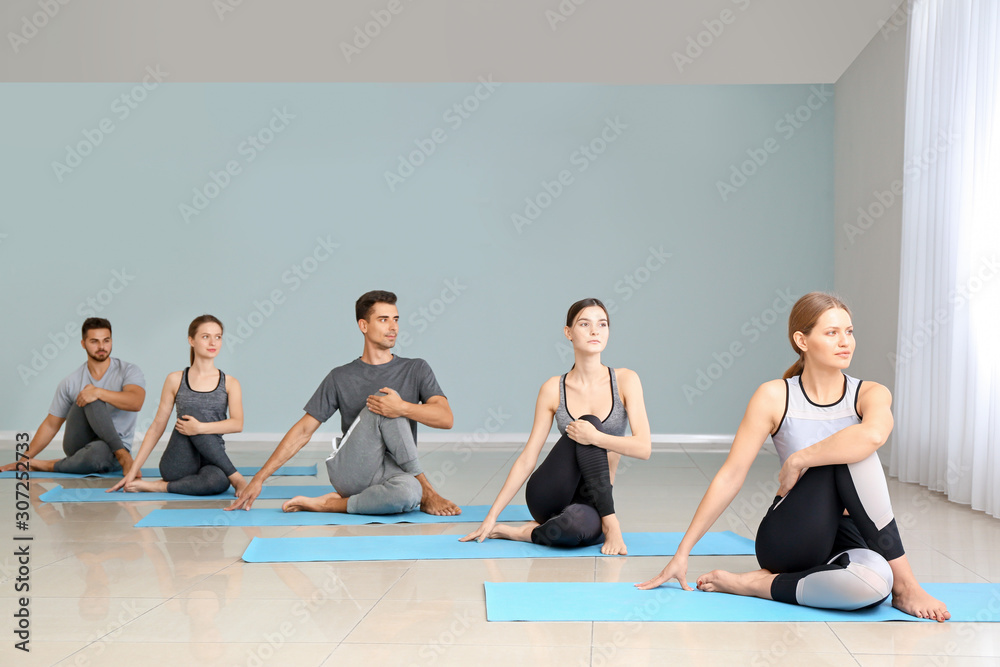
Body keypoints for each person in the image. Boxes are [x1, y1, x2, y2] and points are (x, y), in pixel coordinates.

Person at [637, 292, 950, 621]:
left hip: (849, 534)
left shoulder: (870, 393)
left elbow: (873, 435)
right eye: (832, 333)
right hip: (792, 537)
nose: (845, 342)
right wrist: (682, 552)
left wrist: (800, 459)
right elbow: (731, 475)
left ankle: (761, 585)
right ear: (802, 340)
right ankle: (906, 585)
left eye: (849, 331)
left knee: (872, 585)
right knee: (849, 457)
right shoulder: (775, 396)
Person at [226, 290, 459, 516]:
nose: (393, 327)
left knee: (409, 495)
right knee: (382, 401)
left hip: (394, 472)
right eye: (384, 319)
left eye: (396, 319)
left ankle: (330, 504)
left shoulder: (416, 368)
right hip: (352, 471)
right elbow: (304, 430)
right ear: (364, 326)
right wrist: (259, 478)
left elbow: (446, 418)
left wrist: (402, 408)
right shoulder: (340, 376)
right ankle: (428, 490)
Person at [461, 298, 651, 555]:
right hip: (550, 492)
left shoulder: (626, 380)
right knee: (588, 422)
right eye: (585, 324)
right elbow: (529, 457)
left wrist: (596, 438)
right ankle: (611, 523)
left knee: (576, 528)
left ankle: (519, 532)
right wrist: (491, 515)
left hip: (593, 498)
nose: (595, 331)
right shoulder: (553, 389)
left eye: (602, 324)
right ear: (568, 332)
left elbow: (643, 448)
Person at [108, 315, 246, 495]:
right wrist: (132, 472)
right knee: (190, 410)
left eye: (218, 337)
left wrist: (199, 428)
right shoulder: (175, 380)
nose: (213, 342)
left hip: (214, 461)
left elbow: (237, 424)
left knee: (216, 483)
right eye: (205, 336)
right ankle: (237, 477)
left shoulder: (230, 383)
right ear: (191, 340)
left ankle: (158, 486)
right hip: (179, 463)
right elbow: (157, 426)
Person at [1, 318, 145, 476]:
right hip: (79, 445)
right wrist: (24, 458)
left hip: (107, 452)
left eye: (106, 340)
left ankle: (49, 465)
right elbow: (51, 425)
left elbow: (136, 402)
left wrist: (98, 392)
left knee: (98, 452)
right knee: (88, 394)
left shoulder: (128, 371)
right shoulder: (70, 382)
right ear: (83, 344)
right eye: (94, 341)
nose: (102, 347)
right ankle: (123, 456)